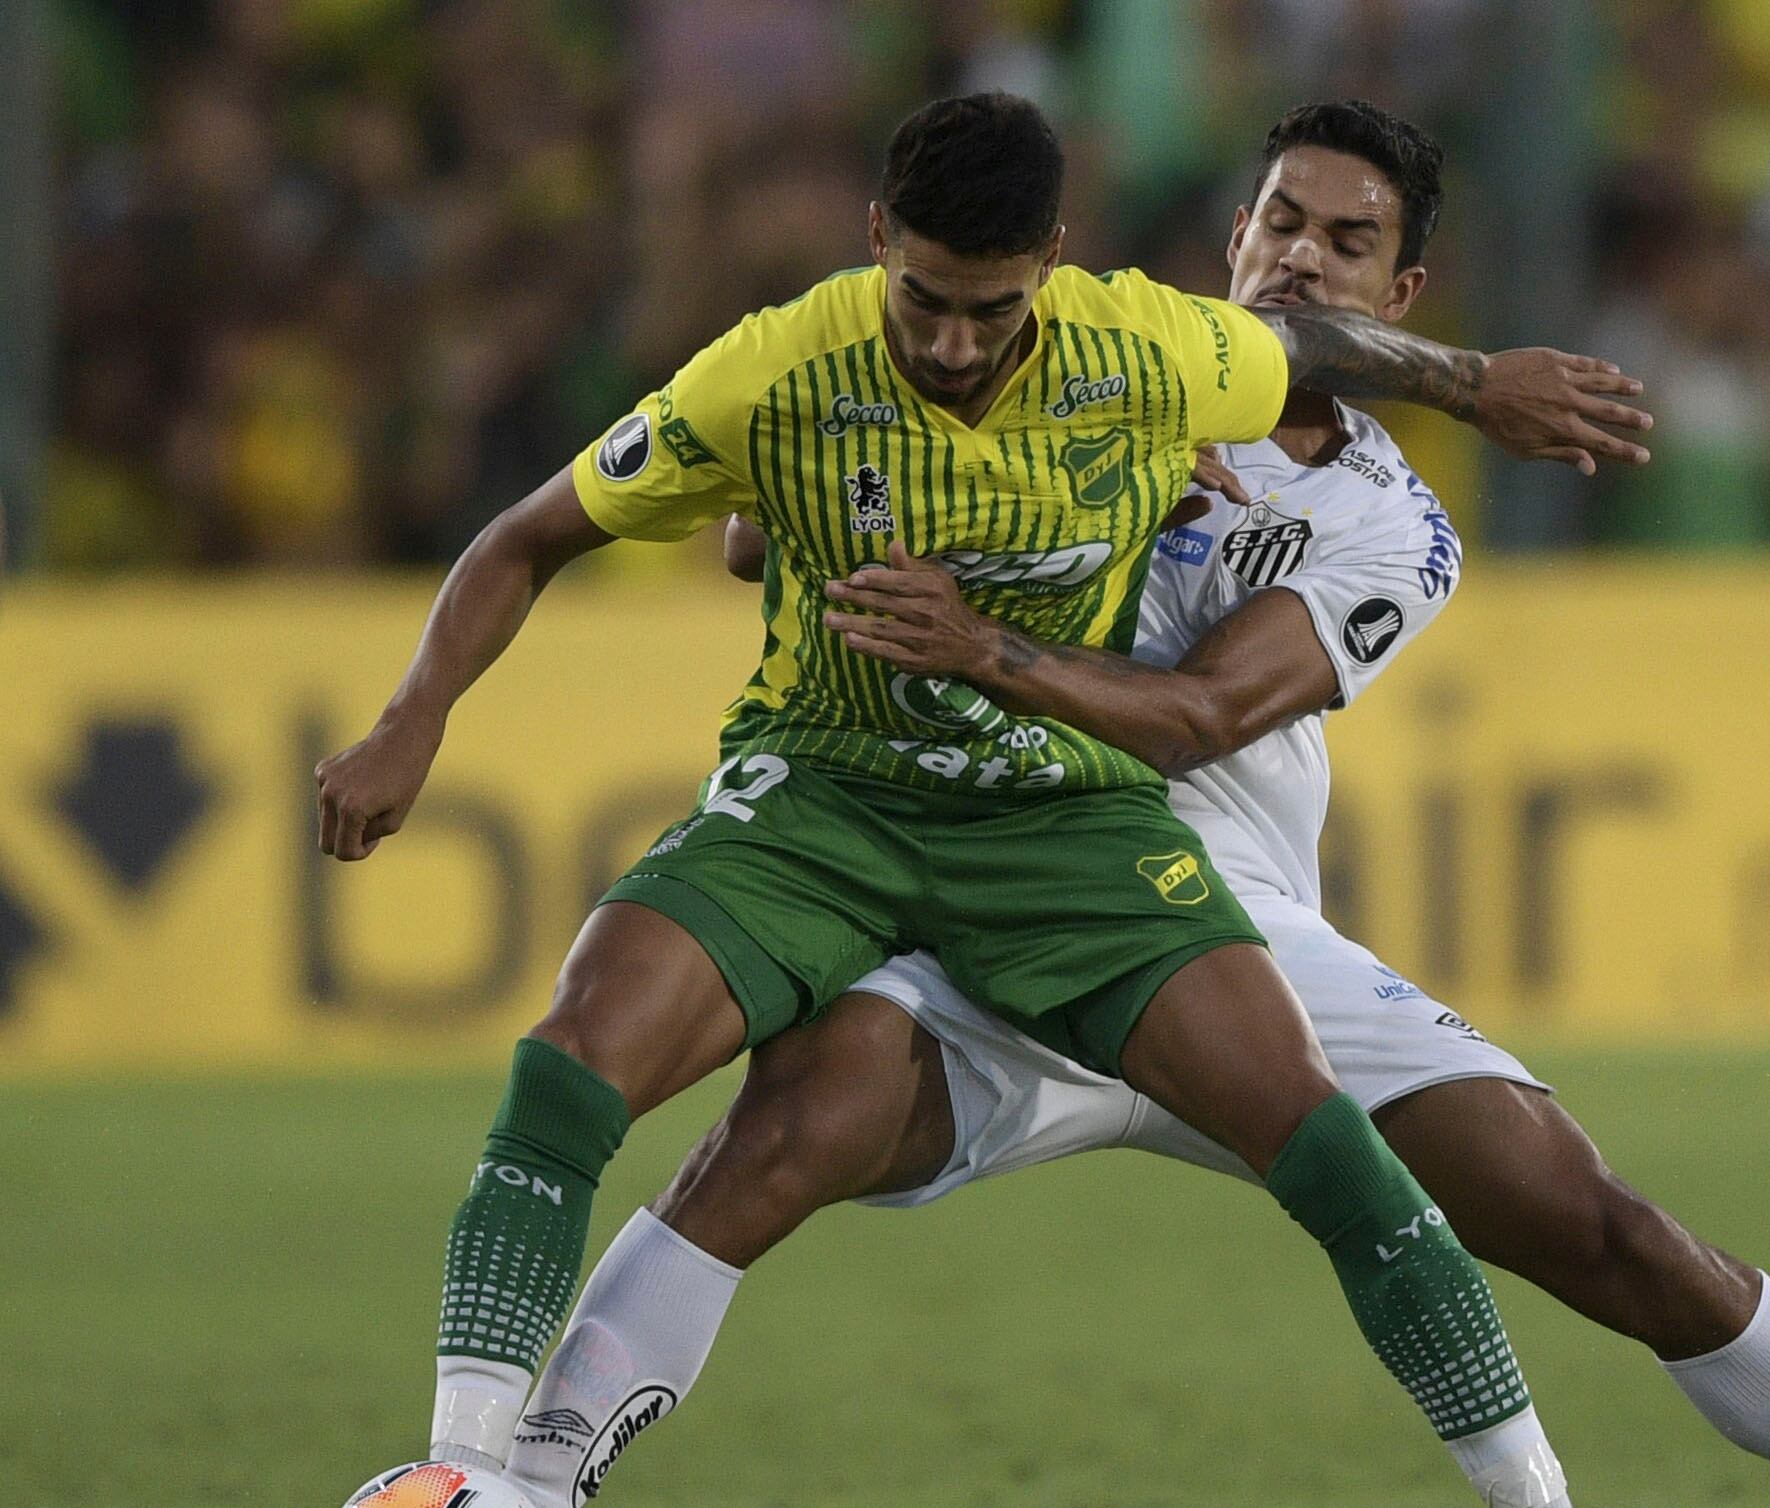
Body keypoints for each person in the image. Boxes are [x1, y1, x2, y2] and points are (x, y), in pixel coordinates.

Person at [505, 102, 1770, 1508]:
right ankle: (512, 1481)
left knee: (1593, 1222)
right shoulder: (1091, 366)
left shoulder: (1389, 529)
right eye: (1280, 219)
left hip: (1231, 940)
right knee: (778, 1137)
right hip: (980, 875)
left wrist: (992, 632)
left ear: (1396, 292)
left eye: (1345, 241)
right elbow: (765, 537)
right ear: (1231, 238)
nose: (1300, 256)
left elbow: (1202, 715)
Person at [316, 92, 1655, 1507]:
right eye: (927, 305)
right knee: (569, 1067)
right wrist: (414, 719)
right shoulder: (773, 366)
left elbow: (1308, 344)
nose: (954, 347)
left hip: (1058, 820)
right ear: (878, 237)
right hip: (825, 794)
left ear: (1054, 264)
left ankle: (1535, 1498)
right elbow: (532, 535)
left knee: (1327, 1151)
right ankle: (467, 1481)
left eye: (995, 312)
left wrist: (1467, 380)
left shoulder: (1143, 348)